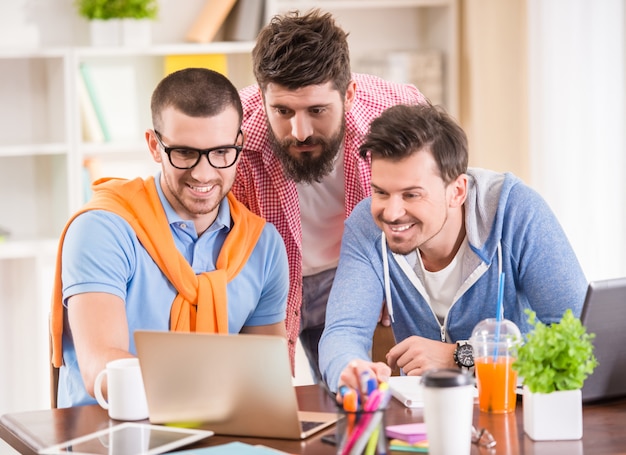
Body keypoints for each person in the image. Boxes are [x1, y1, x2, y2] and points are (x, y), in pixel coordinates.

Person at [50, 68, 289, 407]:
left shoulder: (262, 245)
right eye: (185, 153)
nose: (203, 173)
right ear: (154, 146)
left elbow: (268, 377)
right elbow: (100, 368)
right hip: (106, 434)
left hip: (217, 433)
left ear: (239, 144)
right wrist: (213, 392)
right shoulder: (104, 229)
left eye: (221, 152)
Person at [319, 103, 588, 392]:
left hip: (515, 409)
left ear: (457, 191)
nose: (392, 213)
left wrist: (460, 357)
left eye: (411, 195)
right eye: (381, 192)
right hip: (424, 416)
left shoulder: (517, 213)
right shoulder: (366, 226)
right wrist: (350, 369)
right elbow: (342, 331)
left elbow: (578, 342)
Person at [231, 9, 426, 379]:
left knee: (367, 406)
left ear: (349, 94)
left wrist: (398, 273)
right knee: (267, 415)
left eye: (317, 110)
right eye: (283, 110)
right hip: (268, 287)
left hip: (357, 277)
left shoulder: (401, 113)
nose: (300, 131)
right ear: (262, 95)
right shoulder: (230, 130)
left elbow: (435, 204)